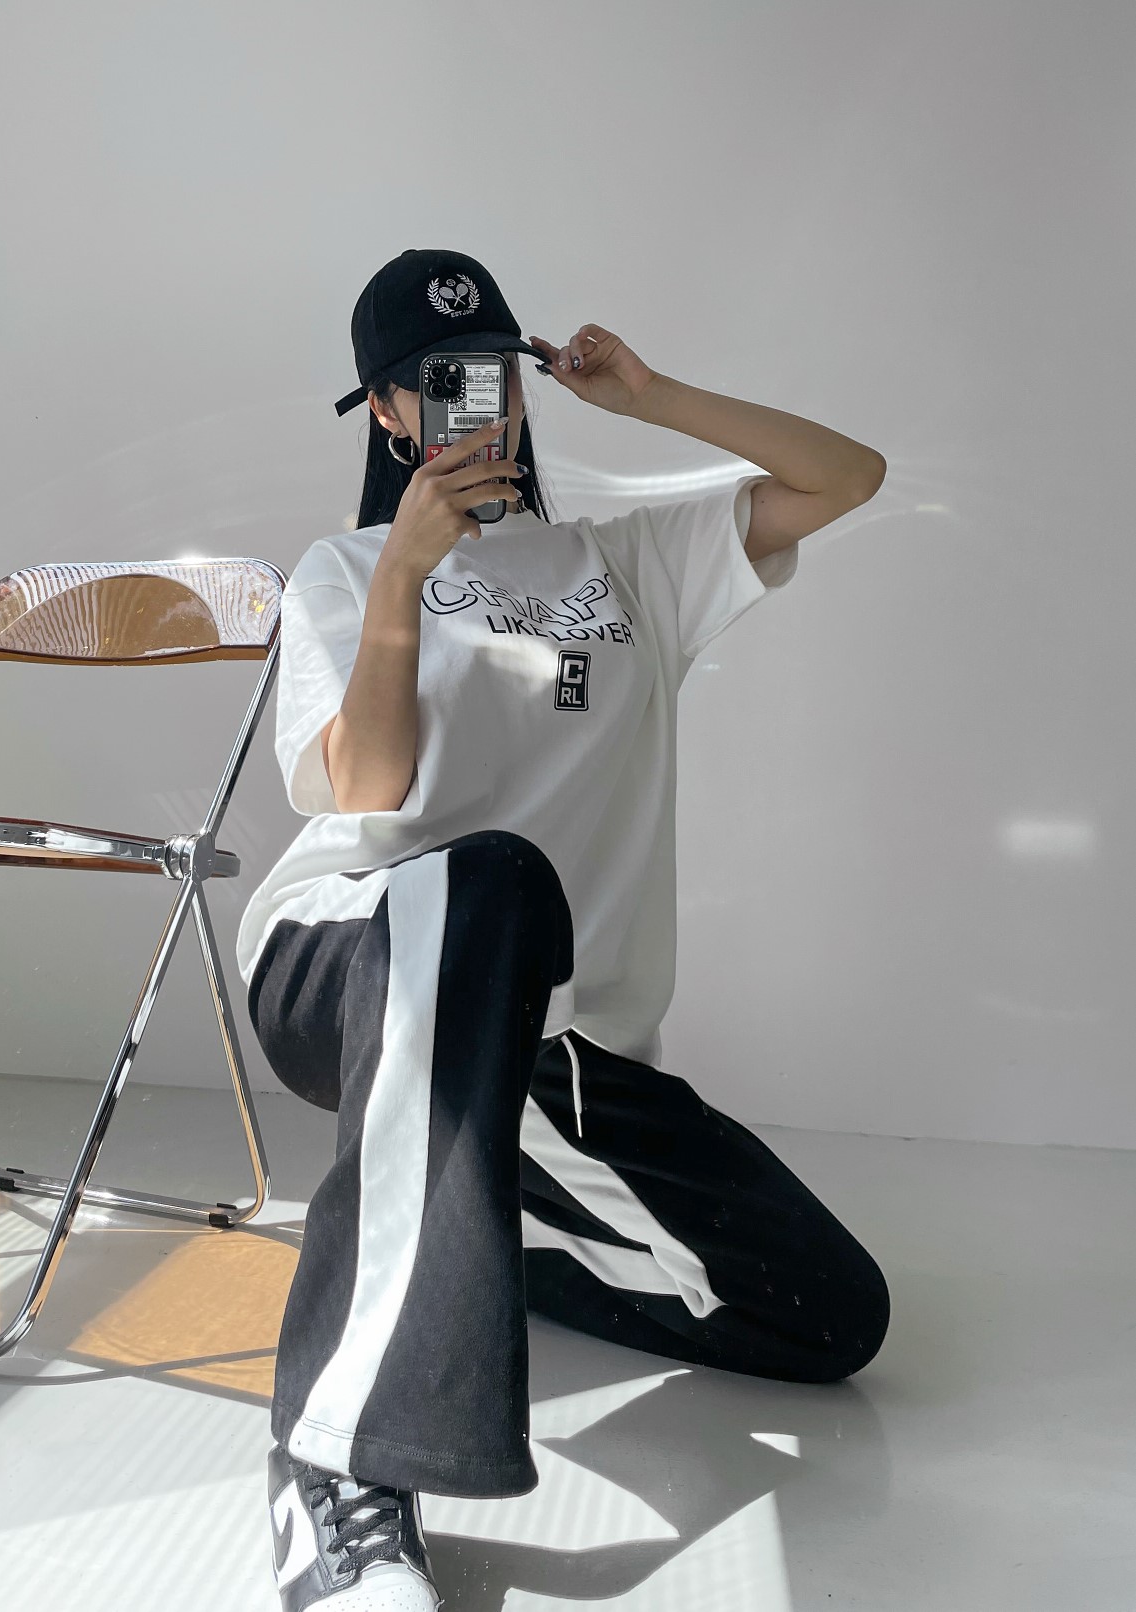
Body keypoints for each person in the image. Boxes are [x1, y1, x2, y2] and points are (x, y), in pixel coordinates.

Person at [236, 247, 891, 1612]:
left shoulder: (630, 560)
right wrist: (404, 578)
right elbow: (366, 790)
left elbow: (848, 476)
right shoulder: (341, 570)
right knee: (492, 881)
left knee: (827, 1313)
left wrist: (651, 399)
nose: (472, 400)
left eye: (492, 371)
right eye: (434, 381)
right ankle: (338, 1469)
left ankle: (486, 1236)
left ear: (525, 383)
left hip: (551, 1045)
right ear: (388, 412)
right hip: (350, 959)